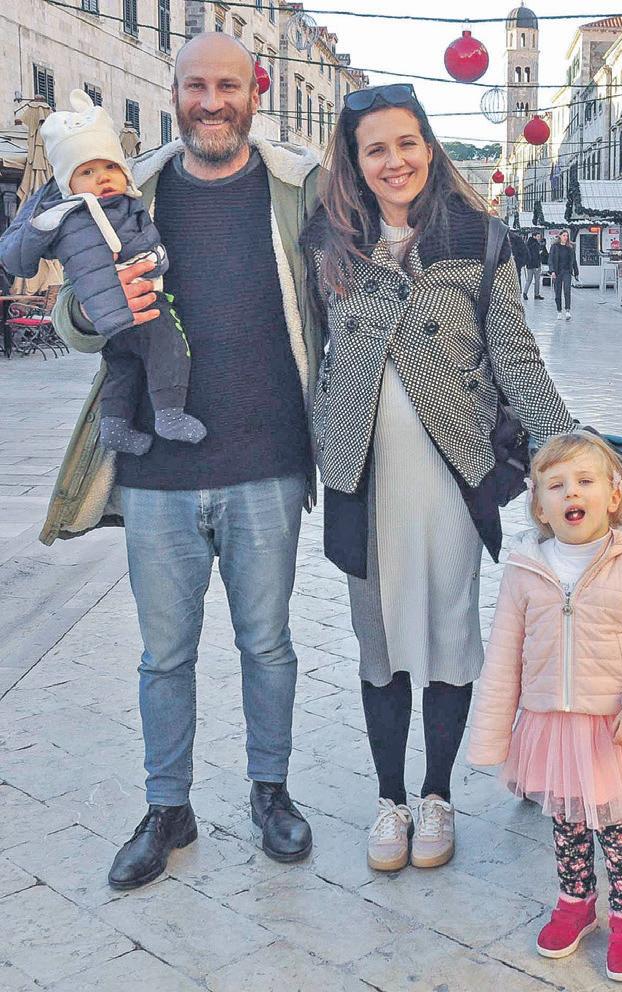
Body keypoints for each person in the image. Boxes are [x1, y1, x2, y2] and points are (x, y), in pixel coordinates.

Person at [46, 32, 324, 889]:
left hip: (269, 464)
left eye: (227, 86)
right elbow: (70, 317)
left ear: (254, 94)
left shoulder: (297, 188)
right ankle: (168, 808)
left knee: (268, 645)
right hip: (158, 474)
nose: (211, 101)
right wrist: (94, 310)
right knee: (163, 656)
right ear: (174, 93)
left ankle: (270, 793)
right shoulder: (133, 189)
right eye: (196, 85)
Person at [303, 83, 573, 873]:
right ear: (354, 161)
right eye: (375, 149)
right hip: (359, 470)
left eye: (406, 143)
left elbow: (515, 356)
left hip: (454, 468)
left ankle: (437, 795)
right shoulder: (325, 241)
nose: (394, 162)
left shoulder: (479, 238)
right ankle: (389, 800)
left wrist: (566, 449)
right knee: (378, 641)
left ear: (429, 147)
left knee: (452, 632)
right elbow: (304, 345)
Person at [468, 432, 622, 984]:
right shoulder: (526, 568)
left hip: (615, 726)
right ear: (539, 506)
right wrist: (493, 737)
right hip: (551, 725)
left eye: (585, 481)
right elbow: (504, 657)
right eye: (557, 485)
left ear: (613, 496)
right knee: (566, 822)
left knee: (618, 828)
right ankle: (575, 902)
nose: (572, 492)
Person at [1, 89, 205, 455]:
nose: (103, 178)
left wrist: (155, 257)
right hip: (138, 307)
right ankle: (170, 413)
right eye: (87, 171)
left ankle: (114, 425)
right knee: (169, 346)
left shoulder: (126, 202)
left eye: (110, 167)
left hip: (117, 318)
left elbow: (146, 240)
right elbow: (46, 281)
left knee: (122, 366)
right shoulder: (72, 214)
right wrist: (85, 313)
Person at [550, 230, 578, 319]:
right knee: (557, 292)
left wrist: (576, 272)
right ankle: (559, 311)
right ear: (560, 236)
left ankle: (567, 310)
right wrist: (552, 271)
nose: (566, 237)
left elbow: (574, 260)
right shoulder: (554, 247)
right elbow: (550, 259)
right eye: (564, 235)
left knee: (567, 290)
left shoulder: (570, 247)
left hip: (567, 271)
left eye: (567, 236)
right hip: (557, 272)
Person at [522, 231, 545, 300]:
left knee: (529, 280)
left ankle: (525, 293)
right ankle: (536, 295)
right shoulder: (536, 244)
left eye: (539, 236)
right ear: (534, 236)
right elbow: (535, 256)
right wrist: (537, 264)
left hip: (529, 265)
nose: (539, 238)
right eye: (538, 236)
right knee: (537, 280)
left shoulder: (527, 243)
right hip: (535, 265)